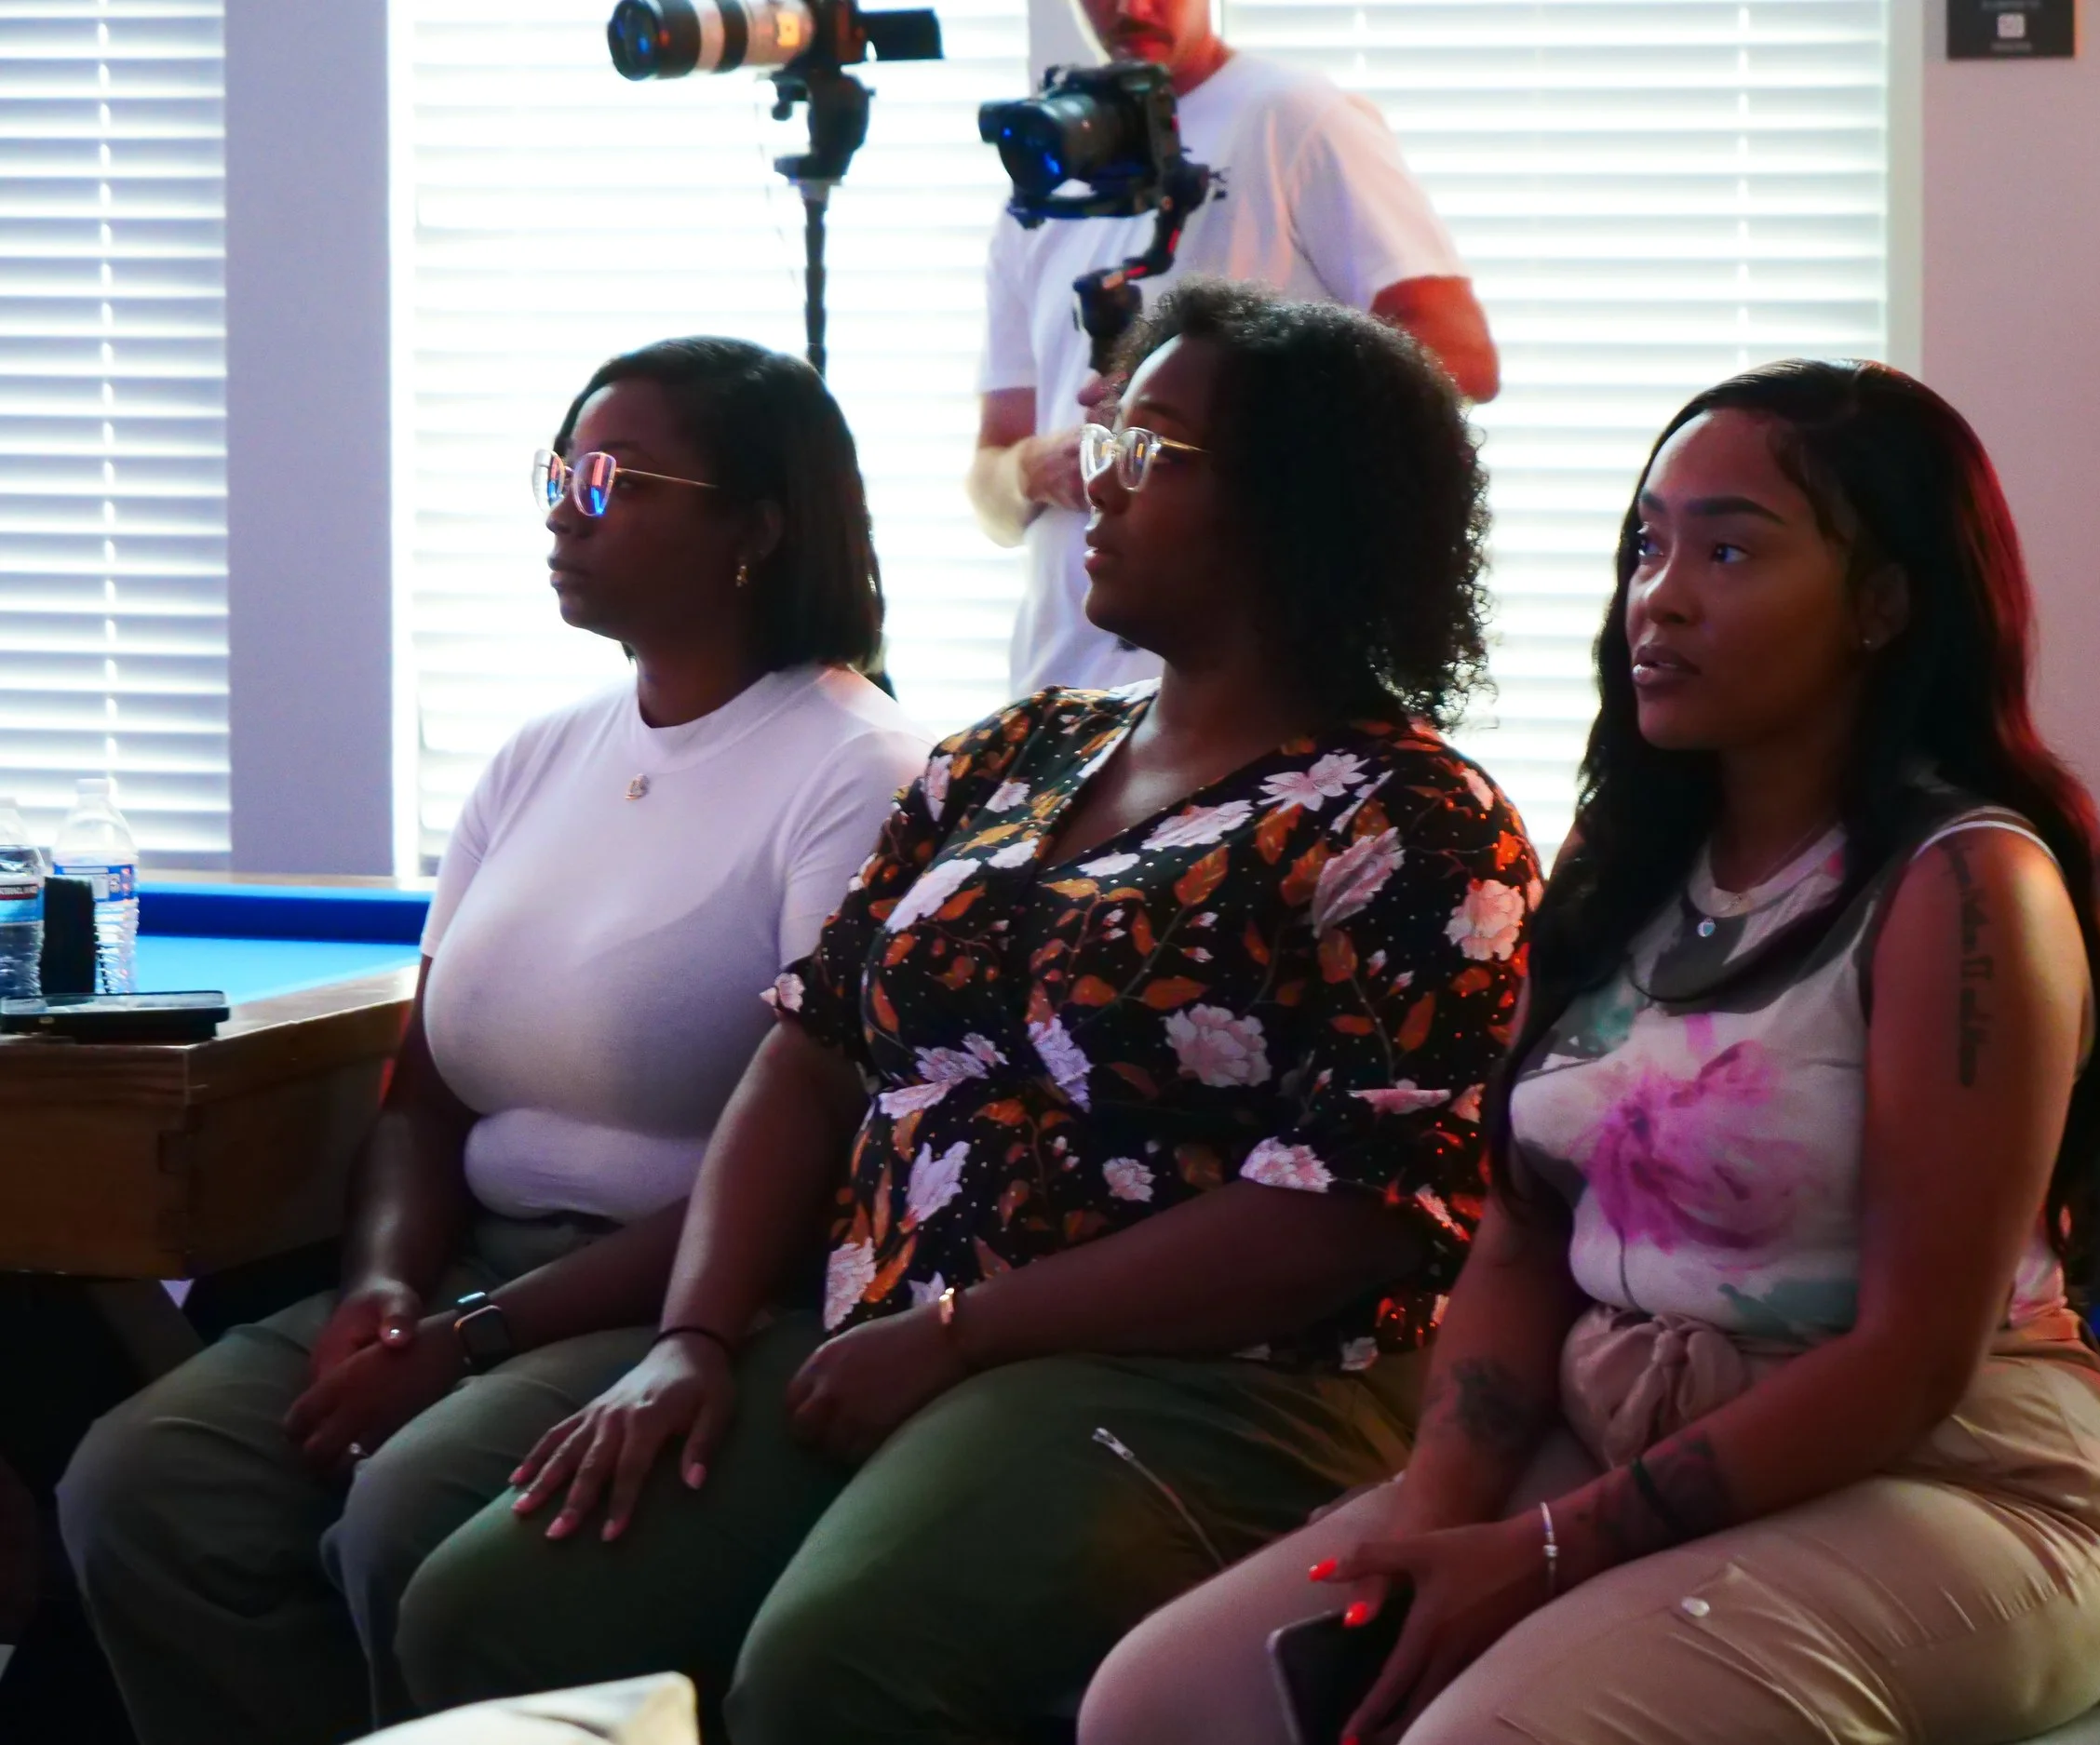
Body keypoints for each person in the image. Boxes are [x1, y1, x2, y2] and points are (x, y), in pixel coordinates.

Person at [390, 281, 1539, 1745]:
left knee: (834, 1663)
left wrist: (959, 1331)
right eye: (1099, 432)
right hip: (879, 1323)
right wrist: (691, 1332)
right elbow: (806, 1058)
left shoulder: (1415, 822)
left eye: (1147, 451)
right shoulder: (1009, 757)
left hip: (1206, 1371)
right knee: (487, 1602)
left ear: (1295, 503)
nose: (1087, 476)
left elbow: (1350, 1212)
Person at [1078, 359, 2100, 1745]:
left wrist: (1542, 1551)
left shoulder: (1962, 885)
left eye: (1728, 548)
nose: (1662, 595)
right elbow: (1519, 1245)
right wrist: (1433, 1517)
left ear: (1885, 604)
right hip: (1613, 1434)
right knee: (1159, 1706)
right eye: (1645, 546)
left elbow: (1911, 1358)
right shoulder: (1619, 869)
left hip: (1954, 1478)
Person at [57, 337, 930, 1745]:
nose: (563, 508)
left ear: (755, 530)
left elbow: (827, 1149)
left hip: (686, 1292)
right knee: (140, 1481)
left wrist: (473, 1335)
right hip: (467, 1263)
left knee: (406, 1503)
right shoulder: (539, 752)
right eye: (559, 469)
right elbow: (424, 1089)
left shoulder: (859, 769)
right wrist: (389, 1285)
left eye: (615, 478)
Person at [967, 0, 1500, 698]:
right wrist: (1039, 468)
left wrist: (1212, 416)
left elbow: (1459, 355)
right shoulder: (1044, 164)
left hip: (1254, 693)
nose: (1130, 7)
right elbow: (989, 484)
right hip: (1061, 689)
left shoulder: (1295, 116)